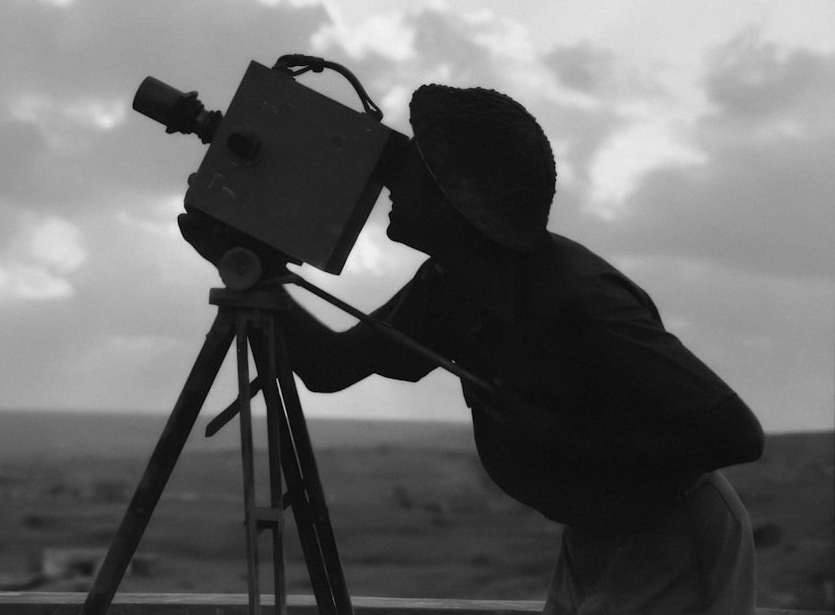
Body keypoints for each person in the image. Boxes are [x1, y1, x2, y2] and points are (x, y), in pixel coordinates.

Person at [181, 84, 765, 614]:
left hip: (669, 532)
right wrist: (250, 275)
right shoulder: (454, 283)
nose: (388, 185)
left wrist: (566, 440)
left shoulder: (581, 300)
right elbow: (331, 369)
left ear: (459, 203)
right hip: (601, 529)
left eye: (411, 173)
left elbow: (735, 433)